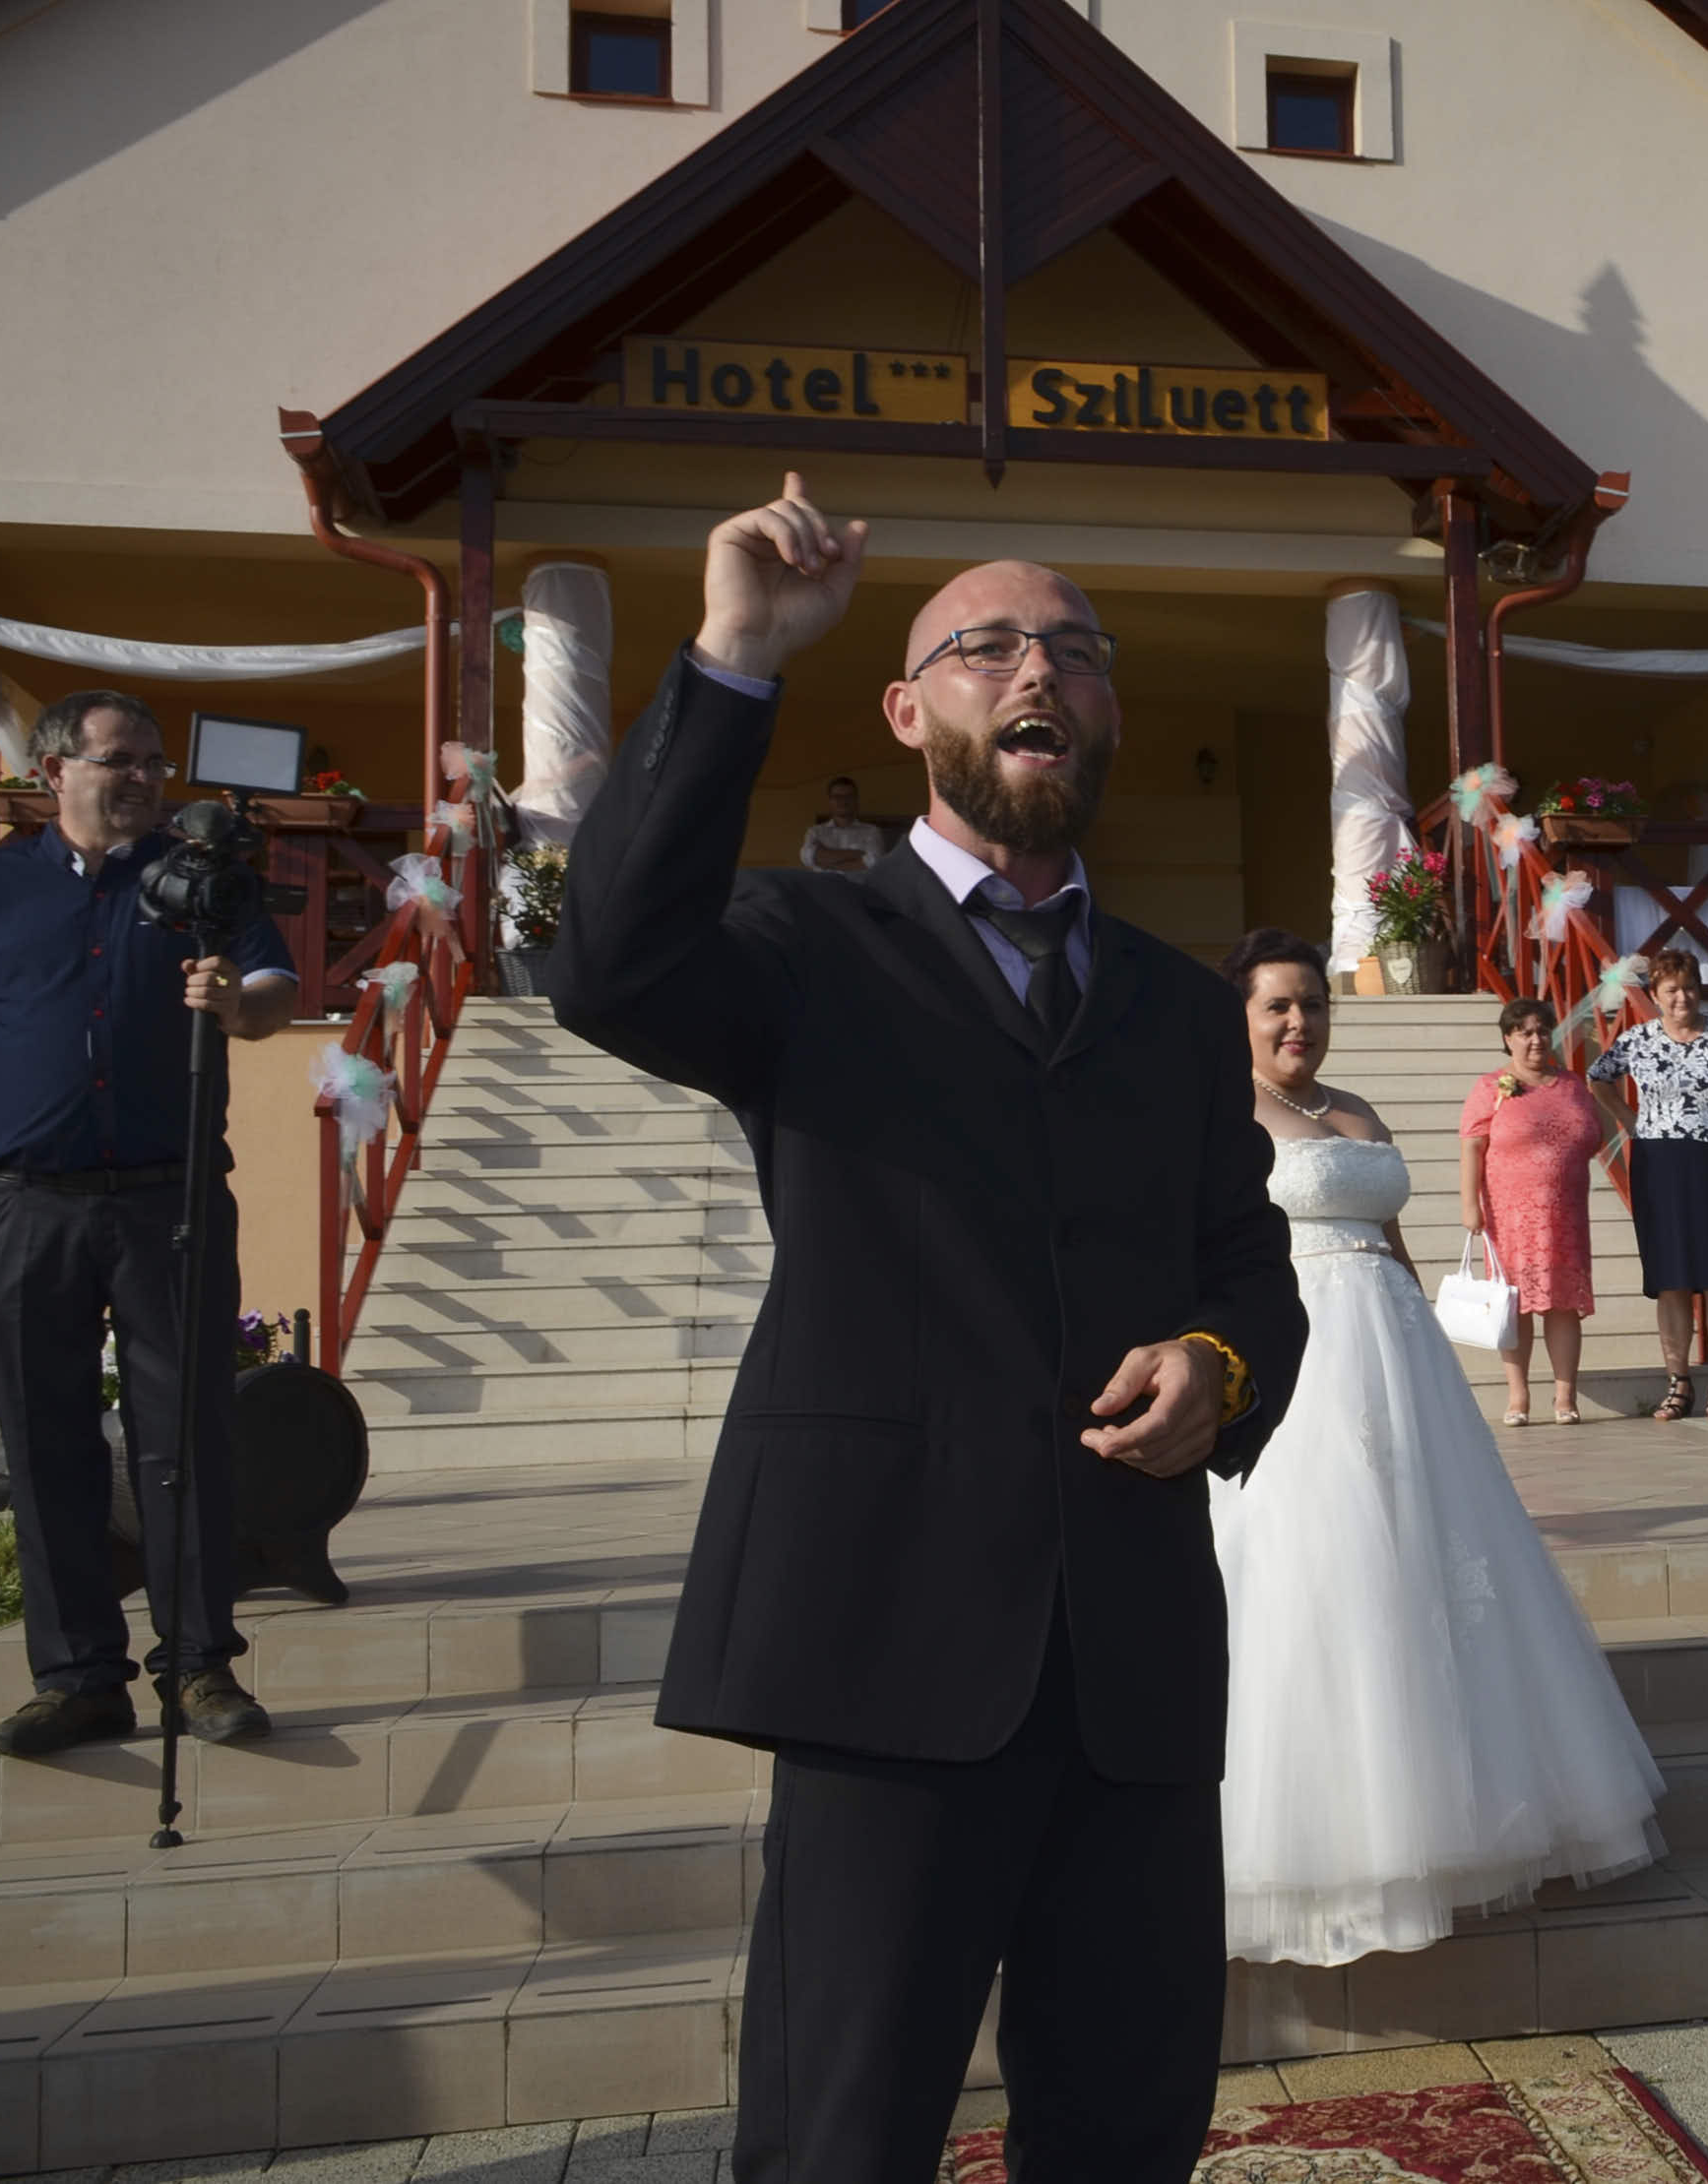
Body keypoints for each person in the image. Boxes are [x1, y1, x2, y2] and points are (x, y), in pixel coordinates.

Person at [550, 473, 1306, 2183]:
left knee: (1127, 2130)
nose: (1038, 668)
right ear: (908, 713)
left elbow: (1247, 1265)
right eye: (987, 645)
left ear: (1109, 712)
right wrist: (736, 651)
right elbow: (604, 962)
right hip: (881, 1638)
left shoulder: (1179, 1007)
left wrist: (1219, 1364)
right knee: (841, 2133)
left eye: (1076, 649)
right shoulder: (800, 941)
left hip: (1130, 1660)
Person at [1212, 926, 1665, 1966]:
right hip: (1297, 1353)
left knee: (1427, 1556)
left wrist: (1425, 1317)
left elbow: (1393, 1237)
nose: (1298, 1021)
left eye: (1312, 1002)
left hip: (1397, 1355)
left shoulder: (1357, 1109)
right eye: (1277, 1004)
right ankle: (1329, 1838)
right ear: (1240, 1017)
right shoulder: (1220, 1116)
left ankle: (1466, 1807)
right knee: (1323, 1566)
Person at [0, 688, 293, 1755]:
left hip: (171, 1200)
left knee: (183, 1437)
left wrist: (235, 1005)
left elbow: (274, 992)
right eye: (120, 759)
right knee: (45, 1443)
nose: (143, 776)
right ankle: (77, 1680)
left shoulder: (201, 881)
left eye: (153, 760)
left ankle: (198, 1666)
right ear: (55, 771)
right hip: (24, 1208)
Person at [1586, 947, 1708, 1420]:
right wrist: (1628, 1118)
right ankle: (1678, 1383)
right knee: (1670, 1281)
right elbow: (1598, 1077)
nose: (1683, 998)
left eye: (1690, 988)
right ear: (1655, 994)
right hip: (1658, 1165)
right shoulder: (1637, 1040)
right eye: (1672, 990)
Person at [1459, 994, 1605, 1425]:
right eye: (1524, 1033)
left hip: (1566, 1216)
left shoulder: (1573, 1085)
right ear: (1508, 1039)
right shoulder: (1491, 1087)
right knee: (1514, 1303)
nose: (1535, 1040)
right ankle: (1518, 1396)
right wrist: (1470, 1205)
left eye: (1542, 1031)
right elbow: (1472, 1147)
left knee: (1564, 1304)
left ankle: (1565, 1396)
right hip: (1511, 1216)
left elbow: (1593, 1134)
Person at [798, 773, 883, 872]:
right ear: (830, 800)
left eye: (848, 796)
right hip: (823, 882)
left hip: (855, 882)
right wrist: (858, 853)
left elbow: (874, 862)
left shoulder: (872, 832)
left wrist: (827, 858)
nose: (843, 801)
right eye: (837, 797)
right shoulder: (815, 832)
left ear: (856, 800)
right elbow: (808, 858)